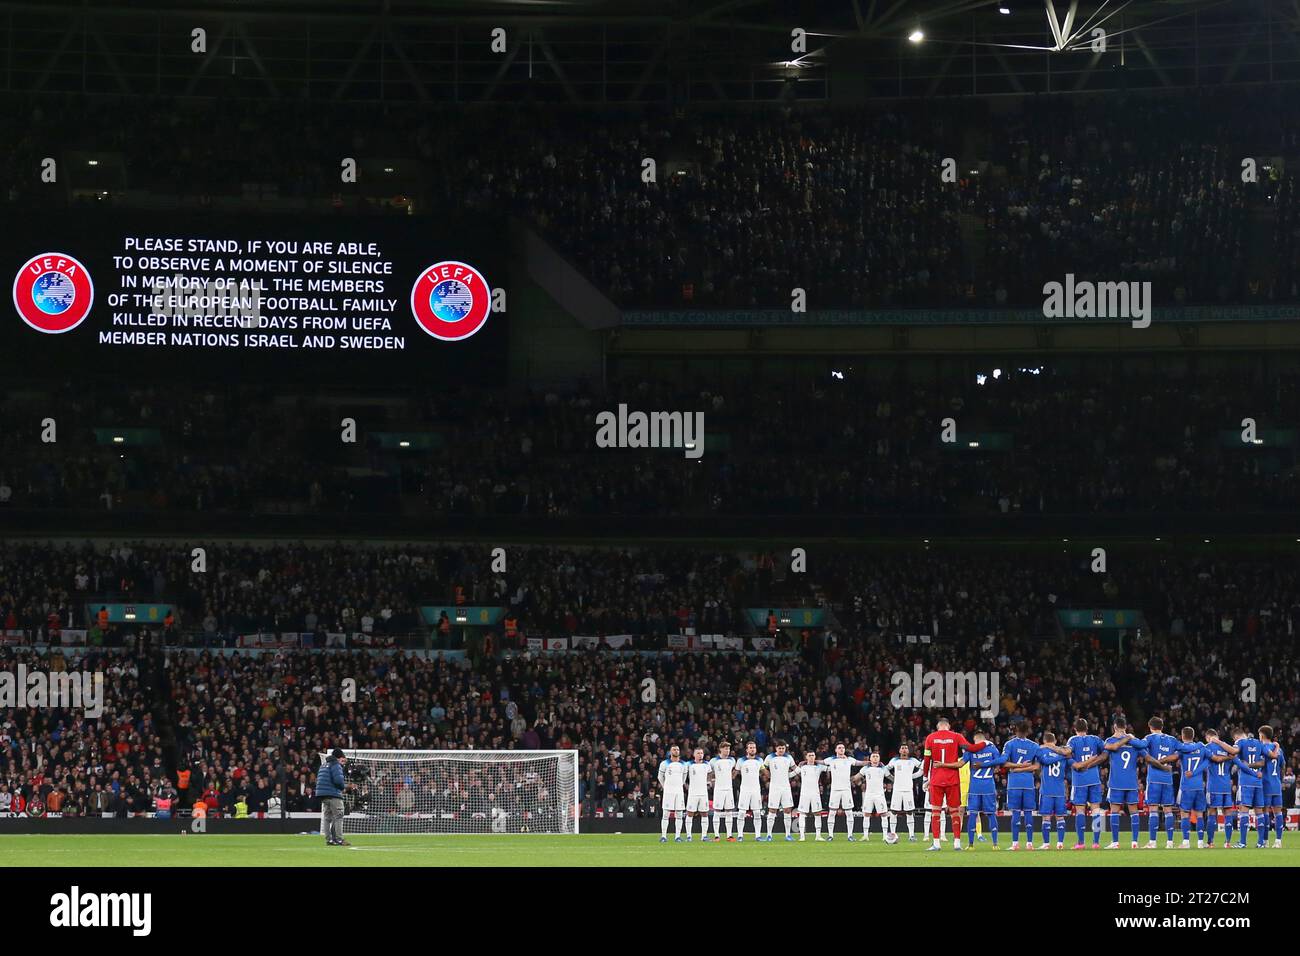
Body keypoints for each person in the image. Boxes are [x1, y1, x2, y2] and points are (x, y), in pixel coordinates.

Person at [317, 747, 350, 847]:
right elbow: (338, 780)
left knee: (327, 818)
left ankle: (329, 840)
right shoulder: (336, 765)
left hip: (323, 795)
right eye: (342, 758)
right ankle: (339, 839)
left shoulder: (323, 765)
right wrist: (343, 787)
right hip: (333, 794)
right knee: (339, 816)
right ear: (338, 757)